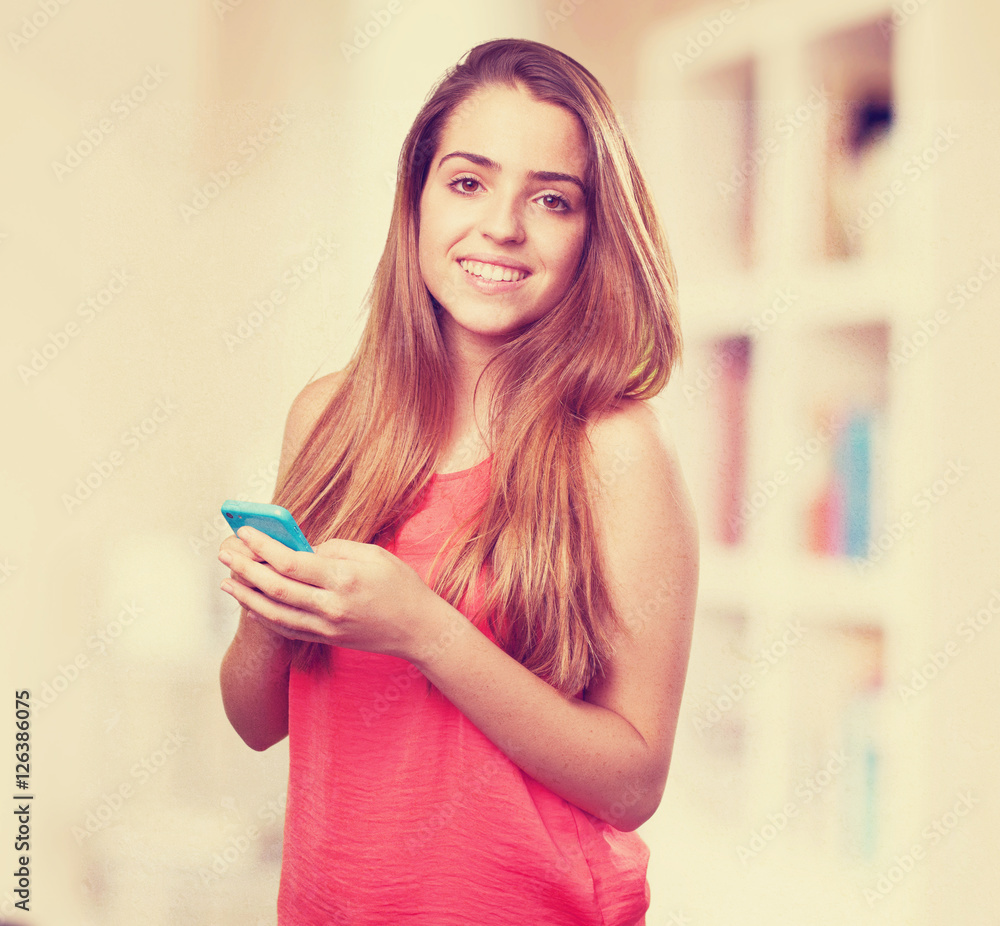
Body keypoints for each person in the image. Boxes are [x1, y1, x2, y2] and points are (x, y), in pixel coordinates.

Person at [218, 37, 698, 926]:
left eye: (550, 199)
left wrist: (426, 632)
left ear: (593, 232)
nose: (502, 227)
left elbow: (633, 782)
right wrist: (264, 608)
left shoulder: (613, 449)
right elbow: (257, 721)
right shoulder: (327, 416)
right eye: (468, 182)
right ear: (416, 199)